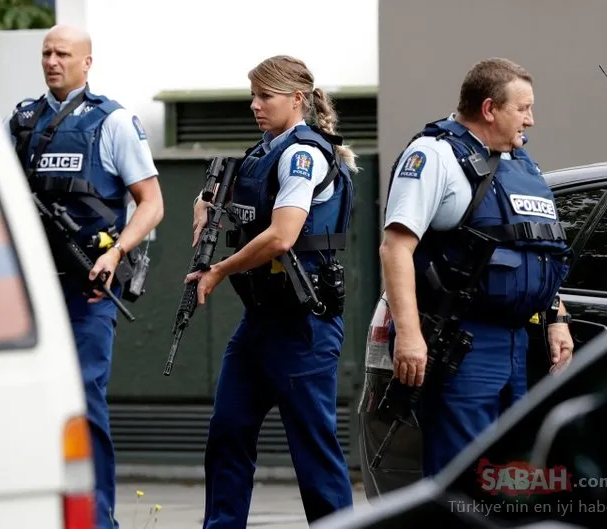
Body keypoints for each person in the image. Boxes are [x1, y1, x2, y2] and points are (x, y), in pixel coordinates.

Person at [379, 57, 575, 478]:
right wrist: (410, 337)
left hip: (518, 342)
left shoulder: (521, 164)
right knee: (463, 479)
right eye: (523, 108)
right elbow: (395, 248)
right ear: (489, 109)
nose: (531, 120)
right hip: (462, 342)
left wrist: (557, 317)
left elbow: (537, 249)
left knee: (512, 476)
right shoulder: (435, 156)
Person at [4, 24, 164, 529]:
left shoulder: (111, 122)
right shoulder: (24, 121)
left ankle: (98, 521)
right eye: (46, 52)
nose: (52, 61)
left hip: (89, 289)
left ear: (87, 62)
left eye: (63, 53)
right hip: (33, 289)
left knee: (84, 401)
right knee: (27, 405)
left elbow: (152, 203)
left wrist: (117, 253)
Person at [187, 55, 357, 528]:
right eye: (253, 96)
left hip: (304, 325)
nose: (255, 105)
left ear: (297, 99)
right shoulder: (263, 151)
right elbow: (242, 204)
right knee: (228, 433)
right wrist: (204, 203)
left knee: (314, 453)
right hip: (259, 321)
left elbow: (283, 235)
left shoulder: (303, 154)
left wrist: (218, 270)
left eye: (266, 96)